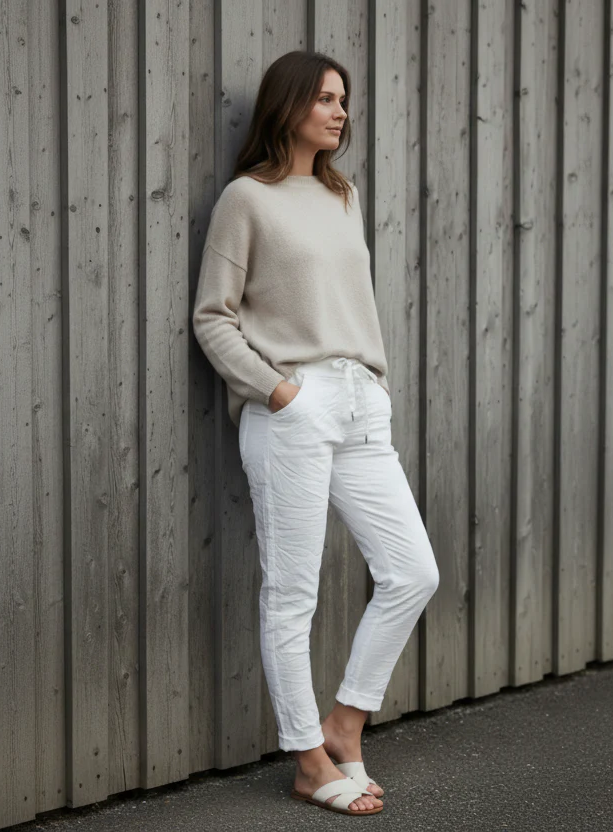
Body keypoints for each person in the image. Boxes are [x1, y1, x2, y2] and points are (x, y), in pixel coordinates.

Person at [192, 50, 439, 817]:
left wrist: (374, 384)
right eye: (326, 99)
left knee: (412, 572)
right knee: (292, 594)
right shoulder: (247, 198)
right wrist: (281, 393)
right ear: (290, 104)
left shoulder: (342, 195)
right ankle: (306, 758)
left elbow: (350, 302)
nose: (340, 112)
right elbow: (212, 318)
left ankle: (346, 723)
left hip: (361, 402)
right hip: (293, 407)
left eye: (344, 100)